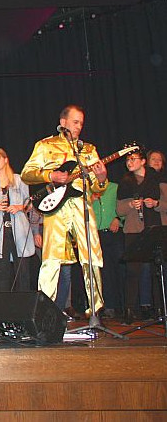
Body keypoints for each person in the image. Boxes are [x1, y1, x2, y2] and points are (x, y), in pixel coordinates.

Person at [21, 105, 108, 316]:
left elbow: (97, 186)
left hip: (82, 206)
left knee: (92, 255)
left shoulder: (88, 150)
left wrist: (102, 178)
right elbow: (26, 173)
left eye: (81, 123)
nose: (79, 126)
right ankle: (44, 310)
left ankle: (95, 308)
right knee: (51, 258)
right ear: (63, 123)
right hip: (56, 208)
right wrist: (50, 176)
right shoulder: (45, 145)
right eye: (75, 122)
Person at [116, 149, 166, 324]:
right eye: (127, 160)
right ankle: (130, 310)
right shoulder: (125, 182)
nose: (129, 162)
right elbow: (119, 209)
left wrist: (156, 203)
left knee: (157, 270)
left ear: (143, 161)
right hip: (133, 230)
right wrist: (130, 204)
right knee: (132, 271)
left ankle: (159, 309)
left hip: (155, 228)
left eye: (133, 159)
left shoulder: (157, 179)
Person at [0, 149, 35, 292]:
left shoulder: (19, 180)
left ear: (5, 160)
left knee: (22, 273)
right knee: (2, 274)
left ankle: (24, 308)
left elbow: (30, 205)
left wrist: (19, 207)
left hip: (19, 232)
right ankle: (3, 309)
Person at [91, 181, 124, 319]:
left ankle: (124, 306)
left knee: (121, 269)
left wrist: (118, 219)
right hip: (97, 234)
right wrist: (89, 201)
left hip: (114, 232)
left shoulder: (115, 187)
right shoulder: (89, 190)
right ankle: (109, 306)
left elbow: (123, 206)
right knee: (105, 271)